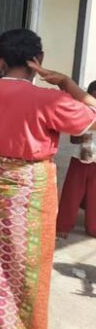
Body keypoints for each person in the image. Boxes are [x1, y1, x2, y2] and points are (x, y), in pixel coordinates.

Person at [0, 29, 96, 329]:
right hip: (24, 187)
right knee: (15, 268)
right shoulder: (51, 100)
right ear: (38, 62)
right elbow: (92, 115)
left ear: (0, 60)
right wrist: (65, 82)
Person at [56, 80, 96, 239]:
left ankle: (93, 227)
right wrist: (82, 134)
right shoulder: (82, 111)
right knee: (72, 193)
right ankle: (63, 225)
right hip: (79, 158)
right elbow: (73, 138)